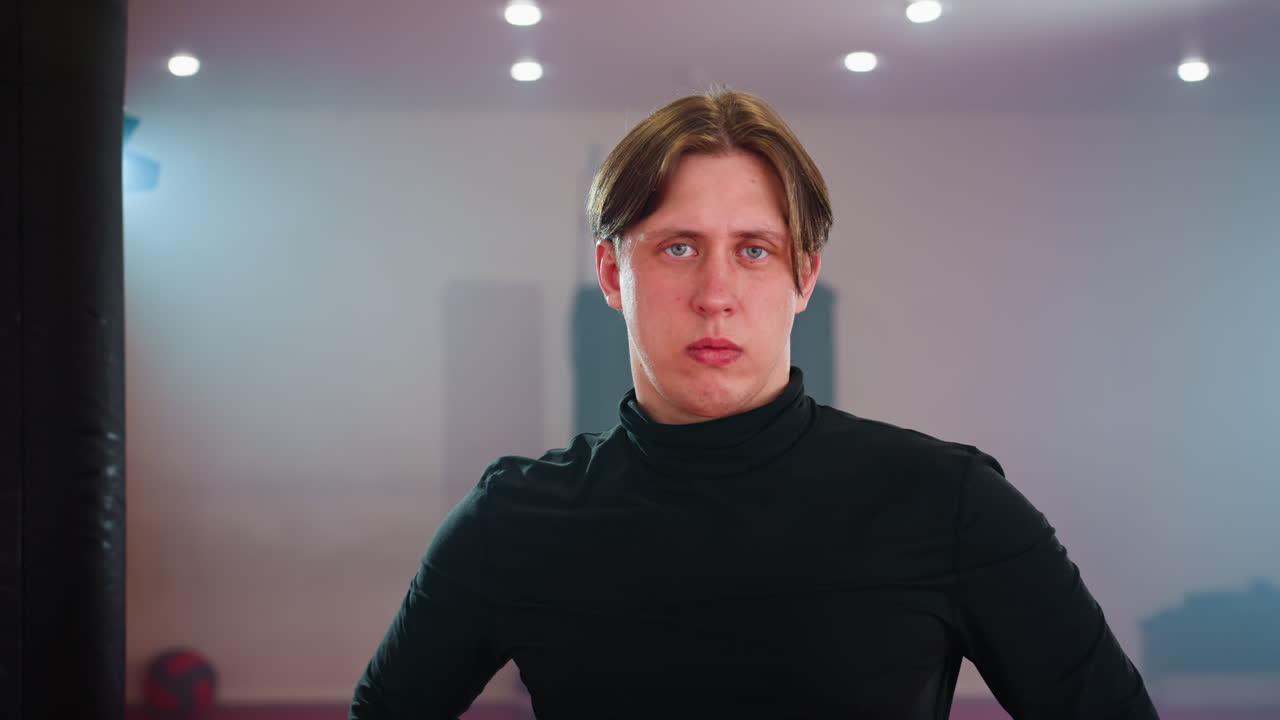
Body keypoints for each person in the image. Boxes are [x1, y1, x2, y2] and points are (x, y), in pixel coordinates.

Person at [349, 89, 1158, 719]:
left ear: (804, 277)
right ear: (609, 274)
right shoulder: (512, 520)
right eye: (677, 248)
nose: (715, 295)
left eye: (754, 251)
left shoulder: (950, 503)